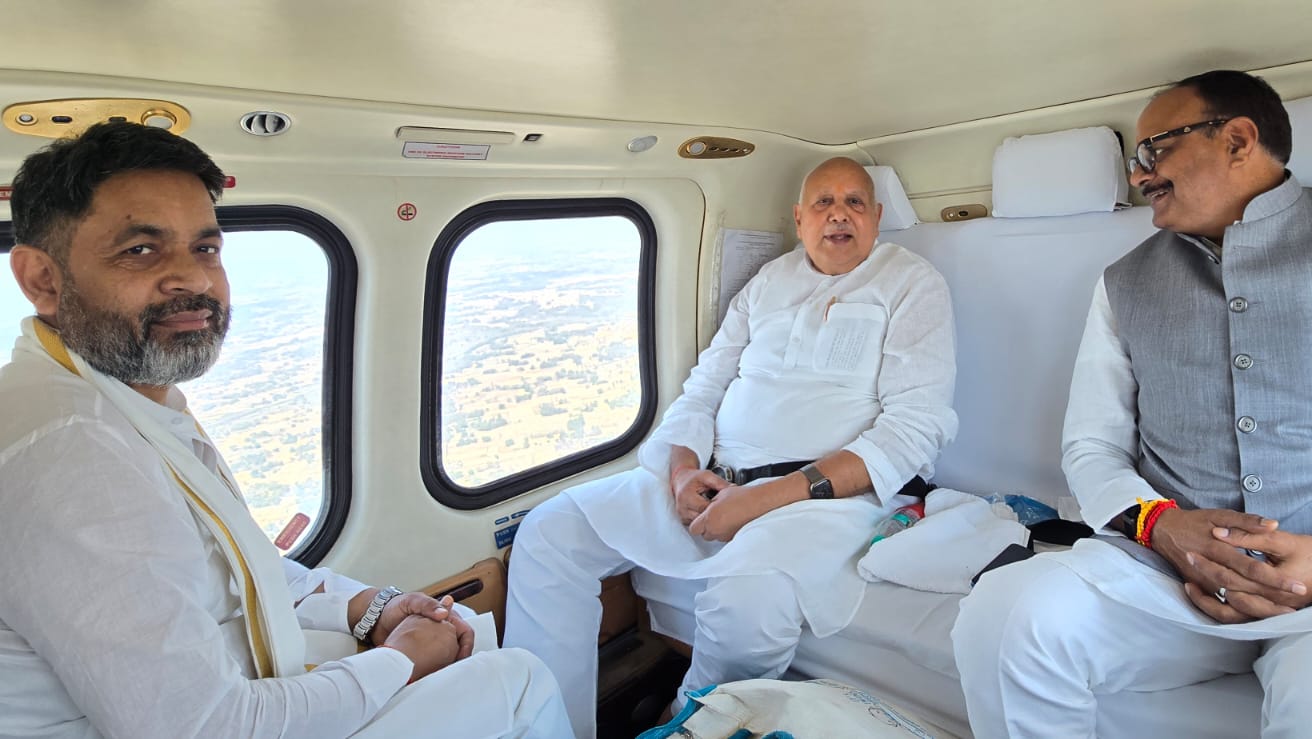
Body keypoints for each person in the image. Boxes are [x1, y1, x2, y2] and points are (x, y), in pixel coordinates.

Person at [952, 71, 1312, 737]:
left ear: (1237, 140)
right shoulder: (1124, 282)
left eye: (1155, 150)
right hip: (1169, 575)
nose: (1139, 175)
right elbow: (1093, 446)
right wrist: (1161, 526)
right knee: (1005, 615)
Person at [0, 121, 573, 739]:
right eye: (141, 250)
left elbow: (231, 568)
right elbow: (205, 729)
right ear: (42, 280)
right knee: (515, 681)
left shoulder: (122, 398)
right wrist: (403, 662)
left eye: (205, 249)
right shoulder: (69, 451)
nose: (194, 280)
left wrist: (369, 609)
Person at [504, 157, 958, 739]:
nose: (839, 214)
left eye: (854, 202)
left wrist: (761, 500)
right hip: (715, 480)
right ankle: (549, 729)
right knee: (551, 532)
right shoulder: (768, 282)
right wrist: (681, 473)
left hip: (825, 500)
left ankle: (684, 721)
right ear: (799, 218)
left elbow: (915, 428)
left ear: (875, 216)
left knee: (749, 602)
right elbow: (703, 388)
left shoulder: (913, 283)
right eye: (823, 202)